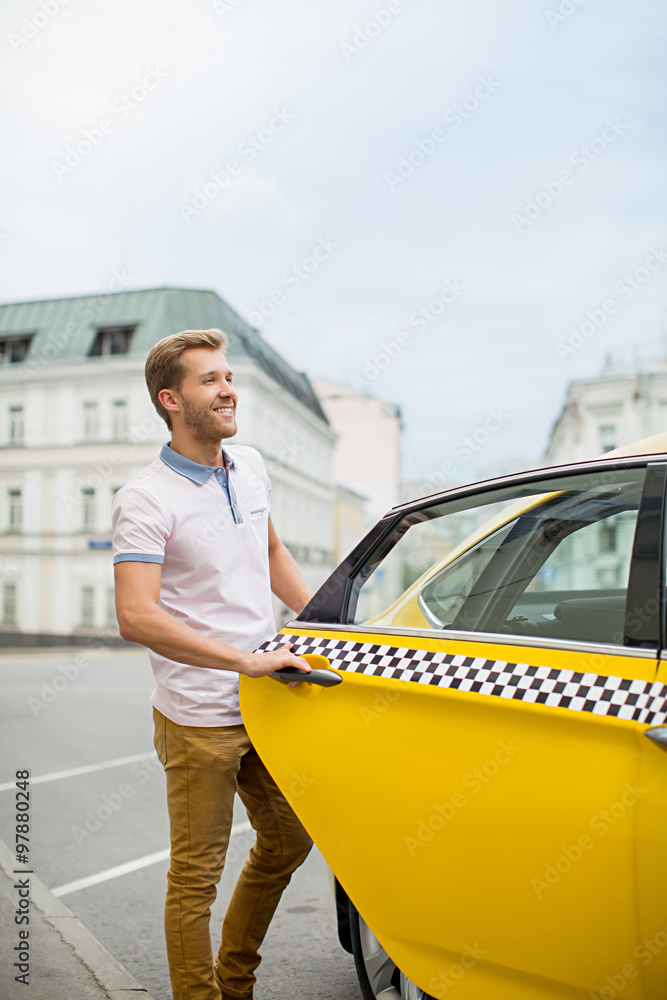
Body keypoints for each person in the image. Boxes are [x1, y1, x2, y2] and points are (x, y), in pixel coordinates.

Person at [112, 327, 314, 1000]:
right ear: (171, 400)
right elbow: (136, 616)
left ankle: (235, 980)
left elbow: (273, 552)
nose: (228, 389)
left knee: (288, 840)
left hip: (263, 698)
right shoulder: (145, 498)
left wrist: (326, 622)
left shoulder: (248, 465)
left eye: (228, 378)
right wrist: (240, 662)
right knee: (194, 880)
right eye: (210, 380)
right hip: (199, 715)